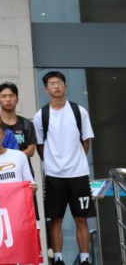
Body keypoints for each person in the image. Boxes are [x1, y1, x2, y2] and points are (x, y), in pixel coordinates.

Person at [34, 71, 95, 265]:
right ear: (46, 89)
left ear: (65, 86)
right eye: (52, 84)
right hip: (54, 175)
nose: (56, 86)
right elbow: (40, 145)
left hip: (79, 174)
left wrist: (76, 160)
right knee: (56, 219)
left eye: (60, 83)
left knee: (81, 218)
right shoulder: (41, 115)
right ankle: (58, 259)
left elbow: (86, 141)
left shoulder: (79, 111)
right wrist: (52, 162)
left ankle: (85, 259)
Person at [0, 81, 37, 160]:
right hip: (0, 166)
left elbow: (31, 151)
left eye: (11, 96)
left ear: (17, 99)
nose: (8, 99)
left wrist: (12, 158)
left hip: (23, 166)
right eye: (4, 96)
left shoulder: (27, 124)